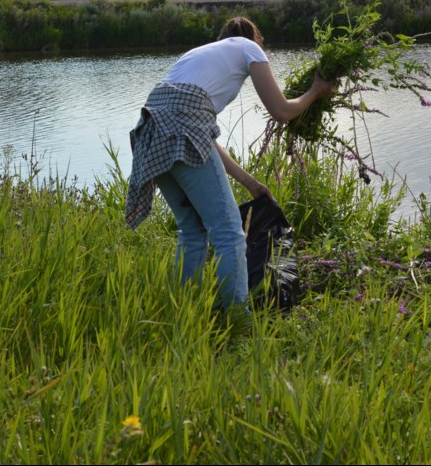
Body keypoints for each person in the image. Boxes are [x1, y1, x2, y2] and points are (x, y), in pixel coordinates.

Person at [124, 17, 336, 309]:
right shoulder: (250, 48)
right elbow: (282, 111)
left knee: (192, 228)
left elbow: (204, 140)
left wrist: (250, 183)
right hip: (182, 125)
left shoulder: (198, 55)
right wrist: (315, 92)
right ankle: (238, 319)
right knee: (229, 232)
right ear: (255, 38)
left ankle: (183, 309)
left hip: (151, 130)